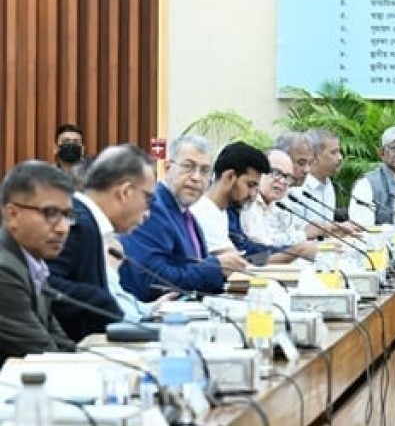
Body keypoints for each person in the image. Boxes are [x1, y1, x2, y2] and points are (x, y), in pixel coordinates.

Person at [47, 145, 163, 340]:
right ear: (125, 192)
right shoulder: (77, 223)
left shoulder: (88, 221)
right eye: (148, 200)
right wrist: (100, 301)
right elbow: (43, 284)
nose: (148, 213)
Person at [119, 135, 248, 301]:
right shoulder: (152, 208)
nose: (196, 177)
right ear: (167, 168)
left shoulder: (186, 214)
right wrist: (216, 267)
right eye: (188, 167)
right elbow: (152, 280)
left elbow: (193, 268)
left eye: (205, 171)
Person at [0, 161, 79, 365]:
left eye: (67, 215)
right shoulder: (4, 270)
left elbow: (60, 342)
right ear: (12, 215)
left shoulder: (33, 263)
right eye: (50, 213)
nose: (63, 228)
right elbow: (42, 353)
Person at [190, 141, 301, 265]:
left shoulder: (223, 212)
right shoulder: (205, 213)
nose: (253, 195)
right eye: (250, 185)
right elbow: (241, 264)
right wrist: (295, 252)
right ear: (229, 177)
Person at [291, 128, 344, 225]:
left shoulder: (328, 184)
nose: (340, 157)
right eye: (333, 152)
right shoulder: (297, 187)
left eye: (339, 152)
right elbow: (295, 230)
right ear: (314, 157)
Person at [54, 122, 91, 188]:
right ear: (56, 148)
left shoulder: (91, 177)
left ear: (82, 149)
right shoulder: (48, 176)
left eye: (76, 142)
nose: (70, 145)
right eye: (65, 141)